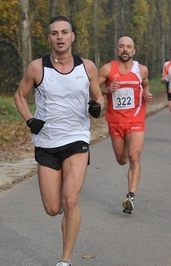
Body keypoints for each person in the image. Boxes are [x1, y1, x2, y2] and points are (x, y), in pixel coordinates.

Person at [14, 16, 104, 266]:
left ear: (72, 36)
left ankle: (65, 260)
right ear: (50, 38)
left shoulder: (87, 67)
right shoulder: (37, 68)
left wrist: (97, 106)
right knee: (53, 208)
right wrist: (30, 120)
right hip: (47, 142)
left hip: (77, 139)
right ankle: (66, 210)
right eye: (55, 33)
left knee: (71, 199)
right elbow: (19, 96)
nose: (60, 37)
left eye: (65, 32)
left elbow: (97, 94)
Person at [98, 36, 152, 215]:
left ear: (134, 51)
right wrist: (107, 90)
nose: (125, 50)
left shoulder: (142, 69)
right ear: (116, 50)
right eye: (121, 46)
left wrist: (147, 94)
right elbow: (91, 89)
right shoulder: (107, 69)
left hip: (136, 119)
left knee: (134, 156)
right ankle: (127, 148)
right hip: (115, 121)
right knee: (122, 160)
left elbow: (145, 85)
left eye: (129, 47)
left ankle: (130, 197)